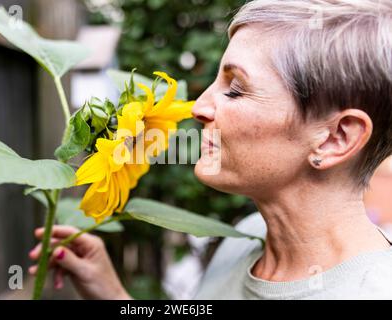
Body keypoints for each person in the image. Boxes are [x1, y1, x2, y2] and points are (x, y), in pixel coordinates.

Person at [29, 0, 392, 299]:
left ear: (335, 138)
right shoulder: (247, 239)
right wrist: (111, 295)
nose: (198, 107)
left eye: (236, 89)